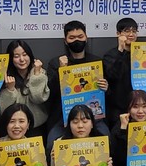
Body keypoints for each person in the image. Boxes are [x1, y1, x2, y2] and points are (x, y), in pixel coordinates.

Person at [45, 21, 109, 150]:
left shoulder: (97, 62)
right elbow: (51, 93)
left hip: (93, 117)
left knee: (107, 141)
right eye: (72, 38)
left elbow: (107, 94)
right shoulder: (56, 63)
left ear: (86, 38)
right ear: (65, 41)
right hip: (63, 118)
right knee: (51, 145)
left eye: (80, 36)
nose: (77, 40)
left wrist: (106, 88)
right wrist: (62, 71)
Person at [0, 40, 50, 137]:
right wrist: (10, 89)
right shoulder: (5, 76)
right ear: (11, 58)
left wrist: (36, 76)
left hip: (37, 126)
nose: (22, 59)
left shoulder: (40, 73)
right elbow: (5, 111)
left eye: (25, 55)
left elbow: (38, 99)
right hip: (13, 130)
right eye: (16, 56)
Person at [103, 18, 138, 128]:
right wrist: (120, 49)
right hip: (117, 109)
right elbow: (113, 75)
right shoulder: (110, 55)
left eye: (134, 31)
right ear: (118, 34)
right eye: (127, 31)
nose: (131, 34)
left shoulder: (141, 54)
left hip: (139, 107)